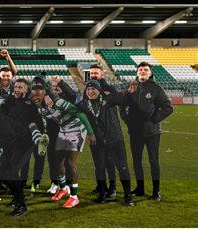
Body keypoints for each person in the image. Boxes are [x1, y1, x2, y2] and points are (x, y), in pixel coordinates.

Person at [30, 76, 96, 208]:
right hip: (64, 129)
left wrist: (90, 132)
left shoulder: (58, 102)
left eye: (39, 93)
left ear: (45, 92)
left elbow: (80, 114)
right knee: (57, 162)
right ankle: (63, 188)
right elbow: (52, 120)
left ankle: (74, 196)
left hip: (77, 129)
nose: (36, 96)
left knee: (69, 162)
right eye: (34, 94)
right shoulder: (42, 108)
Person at [76, 79, 134, 206]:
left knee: (122, 168)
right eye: (89, 89)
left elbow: (123, 98)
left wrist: (128, 92)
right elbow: (70, 102)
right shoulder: (83, 104)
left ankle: (128, 197)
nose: (91, 91)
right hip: (97, 142)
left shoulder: (109, 99)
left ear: (99, 90)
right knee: (100, 168)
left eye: (94, 89)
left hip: (115, 139)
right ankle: (102, 194)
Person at [124, 62, 173, 201]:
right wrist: (128, 121)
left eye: (146, 70)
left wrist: (153, 119)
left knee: (153, 162)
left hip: (152, 133)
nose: (143, 71)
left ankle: (156, 192)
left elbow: (168, 108)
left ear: (150, 73)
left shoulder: (156, 88)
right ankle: (140, 188)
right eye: (141, 69)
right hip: (135, 133)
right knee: (137, 161)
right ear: (137, 72)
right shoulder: (131, 87)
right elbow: (123, 106)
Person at [89, 64, 118, 197]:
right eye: (92, 73)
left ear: (102, 74)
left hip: (108, 132)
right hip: (95, 132)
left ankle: (112, 187)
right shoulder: (89, 89)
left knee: (109, 161)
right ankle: (101, 186)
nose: (94, 75)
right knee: (98, 162)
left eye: (96, 73)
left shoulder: (109, 89)